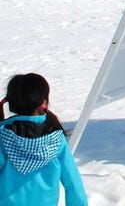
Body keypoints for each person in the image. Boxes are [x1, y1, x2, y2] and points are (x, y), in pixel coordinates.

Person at [0, 73, 87, 205]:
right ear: (44, 102)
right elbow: (73, 182)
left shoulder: (3, 137)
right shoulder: (55, 138)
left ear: (10, 103)